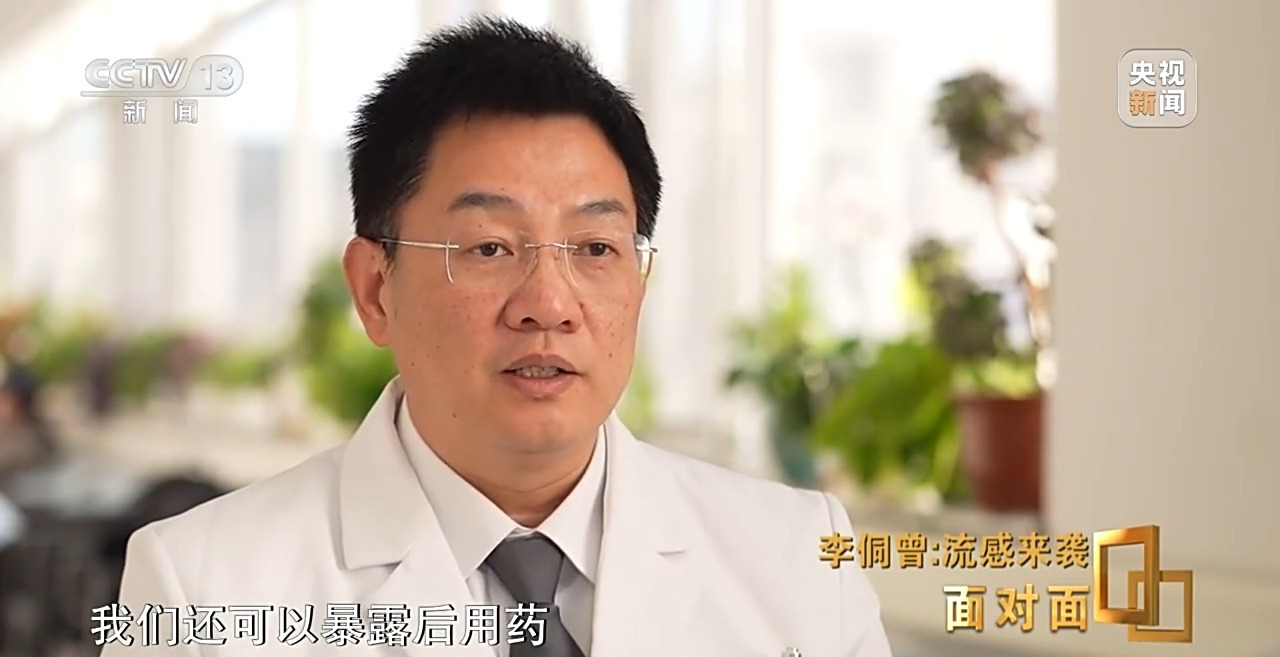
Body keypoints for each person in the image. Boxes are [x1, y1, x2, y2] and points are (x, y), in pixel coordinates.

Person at [105, 17, 892, 656]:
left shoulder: (801, 559)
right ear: (375, 289)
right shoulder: (199, 587)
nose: (548, 304)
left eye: (595, 248)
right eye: (488, 248)